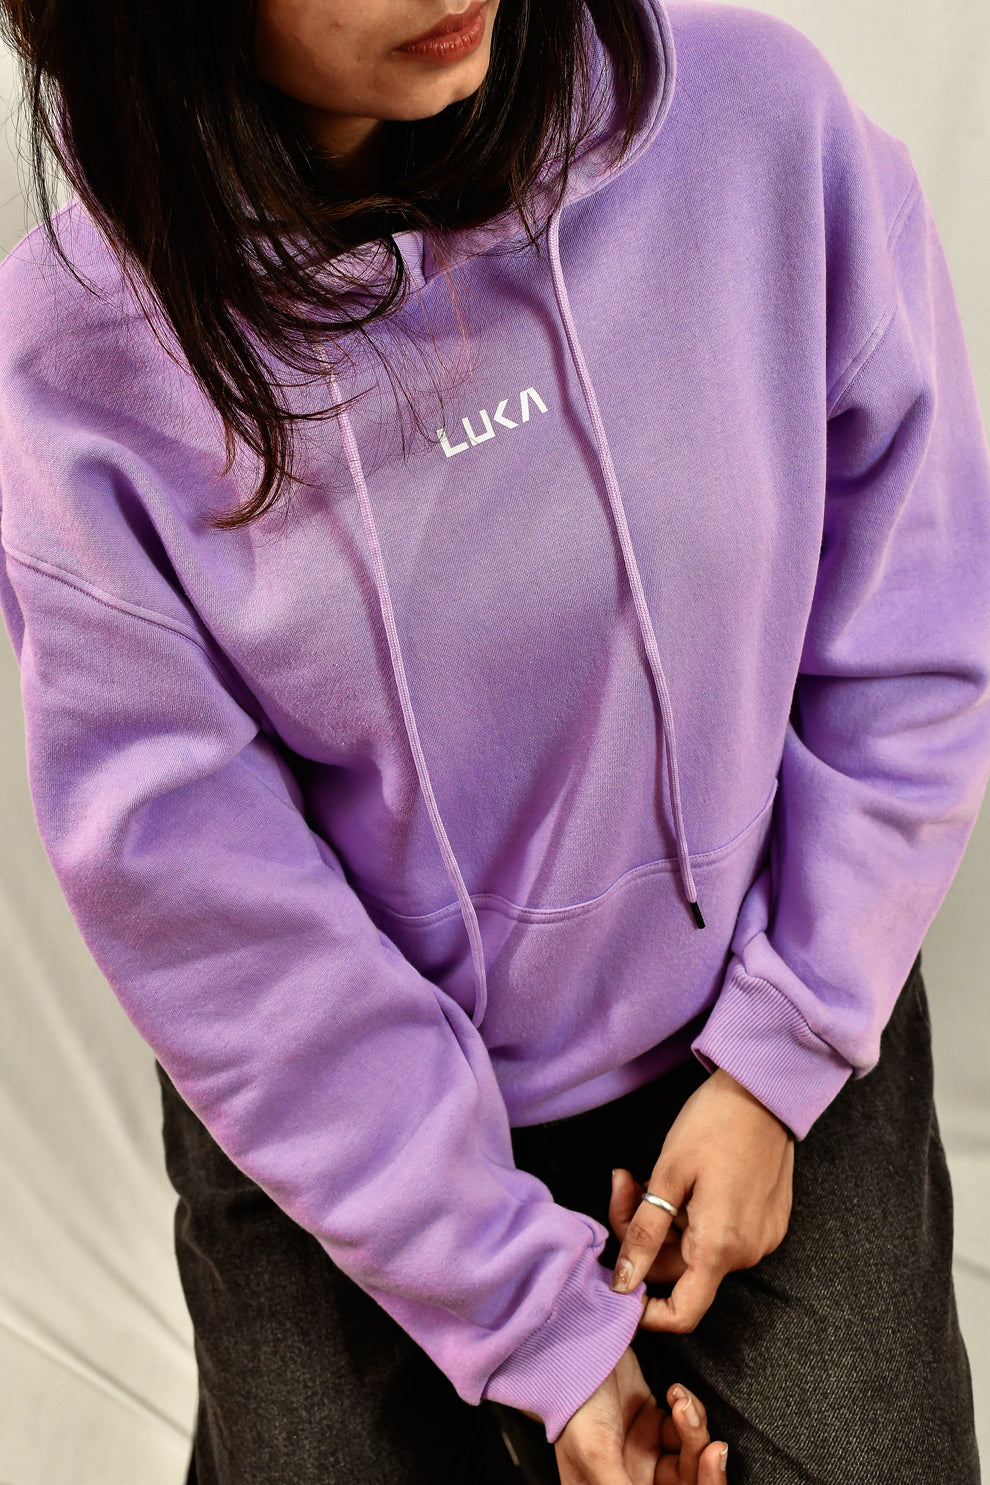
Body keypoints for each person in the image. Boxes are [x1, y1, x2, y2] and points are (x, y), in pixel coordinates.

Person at [0, 0, 985, 1480]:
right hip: (340, 1096)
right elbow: (210, 914)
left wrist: (781, 1057)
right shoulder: (76, 365)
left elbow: (912, 626)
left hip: (771, 989)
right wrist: (532, 1326)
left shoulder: (756, 126)